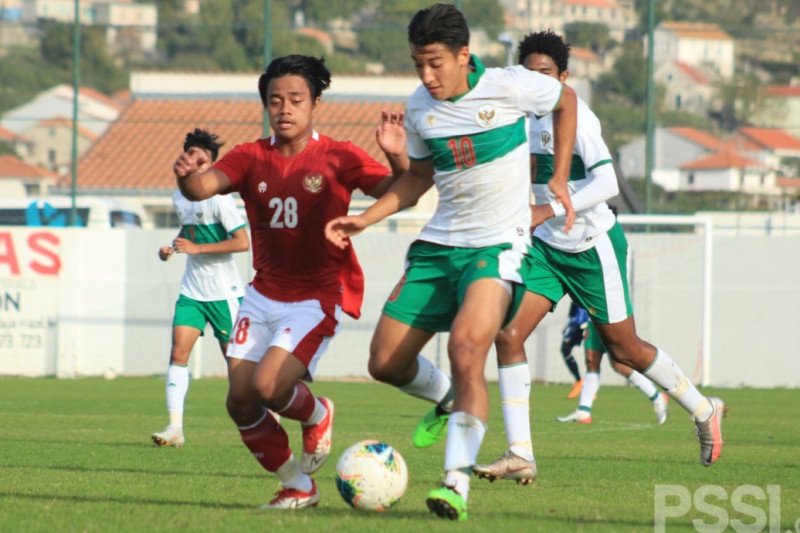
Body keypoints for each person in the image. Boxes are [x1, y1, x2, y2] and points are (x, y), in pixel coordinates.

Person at [326, 4, 578, 521]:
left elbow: (566, 99)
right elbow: (418, 179)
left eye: (435, 63)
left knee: (467, 350)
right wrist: (364, 219)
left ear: (464, 55)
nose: (426, 75)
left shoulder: (511, 85)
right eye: (418, 64)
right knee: (385, 363)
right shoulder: (420, 107)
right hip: (439, 246)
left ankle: (454, 484)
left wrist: (557, 175)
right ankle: (445, 399)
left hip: (496, 248)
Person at [472, 30, 725, 488]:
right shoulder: (515, 118)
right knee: (507, 334)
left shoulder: (578, 118)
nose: (536, 82)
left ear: (564, 78)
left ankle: (705, 410)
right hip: (545, 250)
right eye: (527, 74)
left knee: (623, 350)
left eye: (545, 74)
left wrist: (544, 210)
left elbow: (607, 185)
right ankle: (520, 453)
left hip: (592, 246)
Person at [172, 55, 409, 509]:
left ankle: (317, 413)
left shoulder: (339, 155)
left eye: (296, 99)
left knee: (269, 388)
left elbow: (402, 188)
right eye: (275, 100)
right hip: (261, 294)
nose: (285, 108)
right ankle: (297, 485)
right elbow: (202, 188)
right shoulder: (249, 156)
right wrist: (187, 177)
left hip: (316, 297)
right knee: (240, 401)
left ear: (315, 103)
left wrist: (396, 153)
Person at [152, 129, 250, 448]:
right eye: (191, 155)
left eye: (202, 158)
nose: (194, 161)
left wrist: (197, 249)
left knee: (237, 367)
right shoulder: (179, 195)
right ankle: (175, 428)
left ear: (210, 166)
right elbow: (189, 231)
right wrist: (172, 247)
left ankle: (268, 415)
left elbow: (242, 242)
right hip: (193, 291)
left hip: (223, 293)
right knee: (178, 351)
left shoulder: (221, 199)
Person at [557, 321, 668, 424]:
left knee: (620, 365)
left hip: (612, 322)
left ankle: (657, 397)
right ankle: (583, 412)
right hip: (593, 323)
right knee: (591, 363)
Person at [561, 299, 589, 398]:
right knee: (565, 349)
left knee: (591, 352)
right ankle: (583, 384)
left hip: (582, 322)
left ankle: (583, 384)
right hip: (576, 320)